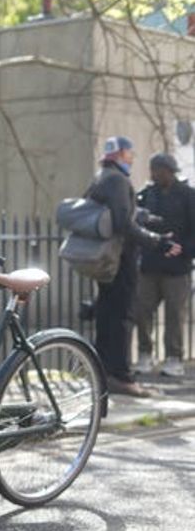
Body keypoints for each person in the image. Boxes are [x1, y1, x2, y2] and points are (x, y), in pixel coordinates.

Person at [87, 137, 181, 397]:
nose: (132, 157)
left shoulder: (101, 176)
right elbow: (122, 224)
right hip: (120, 260)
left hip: (106, 260)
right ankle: (121, 377)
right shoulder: (118, 179)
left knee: (107, 315)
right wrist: (158, 241)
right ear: (121, 154)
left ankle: (103, 373)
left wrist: (144, 217)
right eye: (129, 153)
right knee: (122, 318)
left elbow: (116, 214)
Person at [133, 153, 195, 377]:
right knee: (142, 310)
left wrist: (184, 250)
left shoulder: (188, 196)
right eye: (152, 170)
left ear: (169, 171)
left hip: (177, 268)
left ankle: (173, 357)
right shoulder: (147, 195)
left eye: (158, 170)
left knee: (174, 314)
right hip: (150, 264)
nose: (154, 174)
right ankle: (145, 354)